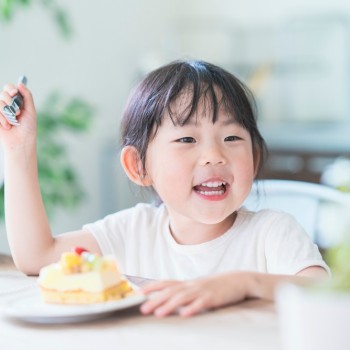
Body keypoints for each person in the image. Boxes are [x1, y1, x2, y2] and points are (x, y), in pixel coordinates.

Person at [0, 60, 329, 317]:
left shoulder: (273, 232)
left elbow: (328, 294)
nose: (215, 156)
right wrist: (18, 150)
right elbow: (35, 257)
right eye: (187, 139)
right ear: (138, 167)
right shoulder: (132, 231)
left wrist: (243, 283)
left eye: (232, 138)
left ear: (254, 159)